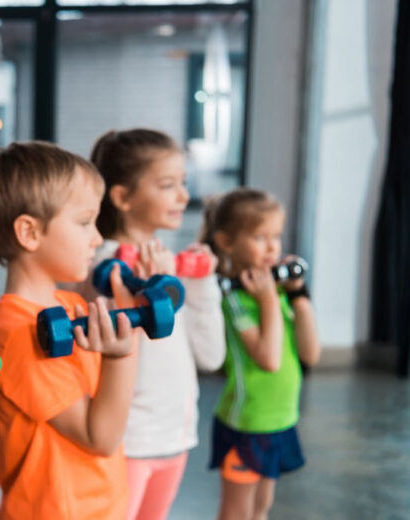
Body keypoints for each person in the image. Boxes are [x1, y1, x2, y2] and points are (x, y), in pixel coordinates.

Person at [0, 141, 140, 519]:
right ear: (29, 232)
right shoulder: (22, 333)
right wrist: (122, 356)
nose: (97, 238)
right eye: (84, 223)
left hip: (99, 506)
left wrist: (132, 311)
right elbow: (100, 437)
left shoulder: (70, 303)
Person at [85, 128, 226, 519]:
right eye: (167, 185)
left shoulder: (171, 264)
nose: (183, 196)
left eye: (183, 182)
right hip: (128, 440)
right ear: (122, 197)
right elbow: (110, 348)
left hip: (175, 437)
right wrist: (153, 287)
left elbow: (211, 357)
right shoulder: (102, 266)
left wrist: (202, 283)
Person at [201, 188, 320, 520]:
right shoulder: (236, 299)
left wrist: (298, 296)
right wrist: (268, 299)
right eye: (259, 237)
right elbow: (269, 359)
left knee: (261, 509)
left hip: (281, 419)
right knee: (237, 513)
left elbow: (310, 354)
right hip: (248, 422)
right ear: (226, 242)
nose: (272, 247)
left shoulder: (278, 293)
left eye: (276, 237)